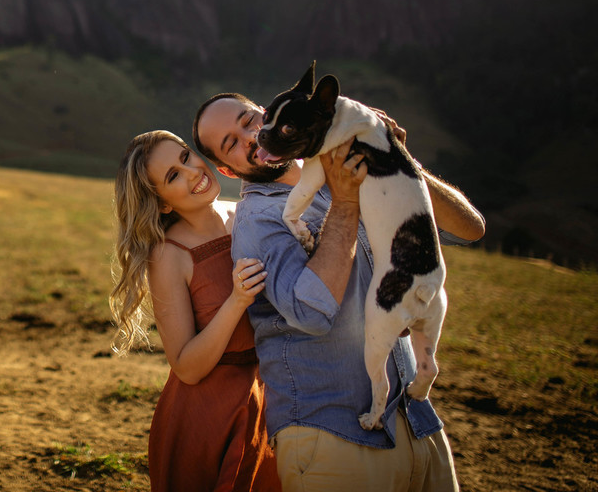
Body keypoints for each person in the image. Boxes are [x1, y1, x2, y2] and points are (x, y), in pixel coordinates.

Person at [192, 93, 486, 492]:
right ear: (228, 170)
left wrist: (396, 155)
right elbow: (312, 312)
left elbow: (469, 230)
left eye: (249, 120)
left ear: (270, 114)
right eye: (231, 143)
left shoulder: (349, 169)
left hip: (416, 424)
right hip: (331, 439)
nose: (250, 136)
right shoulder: (258, 221)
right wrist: (345, 203)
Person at [111, 130, 282, 492]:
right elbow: (186, 367)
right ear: (161, 204)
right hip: (208, 421)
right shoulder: (169, 255)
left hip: (273, 403)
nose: (192, 172)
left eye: (186, 157)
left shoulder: (247, 214)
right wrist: (237, 301)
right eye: (173, 176)